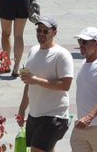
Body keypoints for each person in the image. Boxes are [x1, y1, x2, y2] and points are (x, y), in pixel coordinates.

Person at [16, 17, 75, 152]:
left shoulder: (62, 55)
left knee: (36, 150)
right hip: (35, 113)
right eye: (39, 30)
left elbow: (65, 85)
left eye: (45, 31)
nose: (41, 34)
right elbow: (28, 83)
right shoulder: (33, 51)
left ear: (54, 32)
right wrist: (22, 109)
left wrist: (36, 80)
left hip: (54, 114)